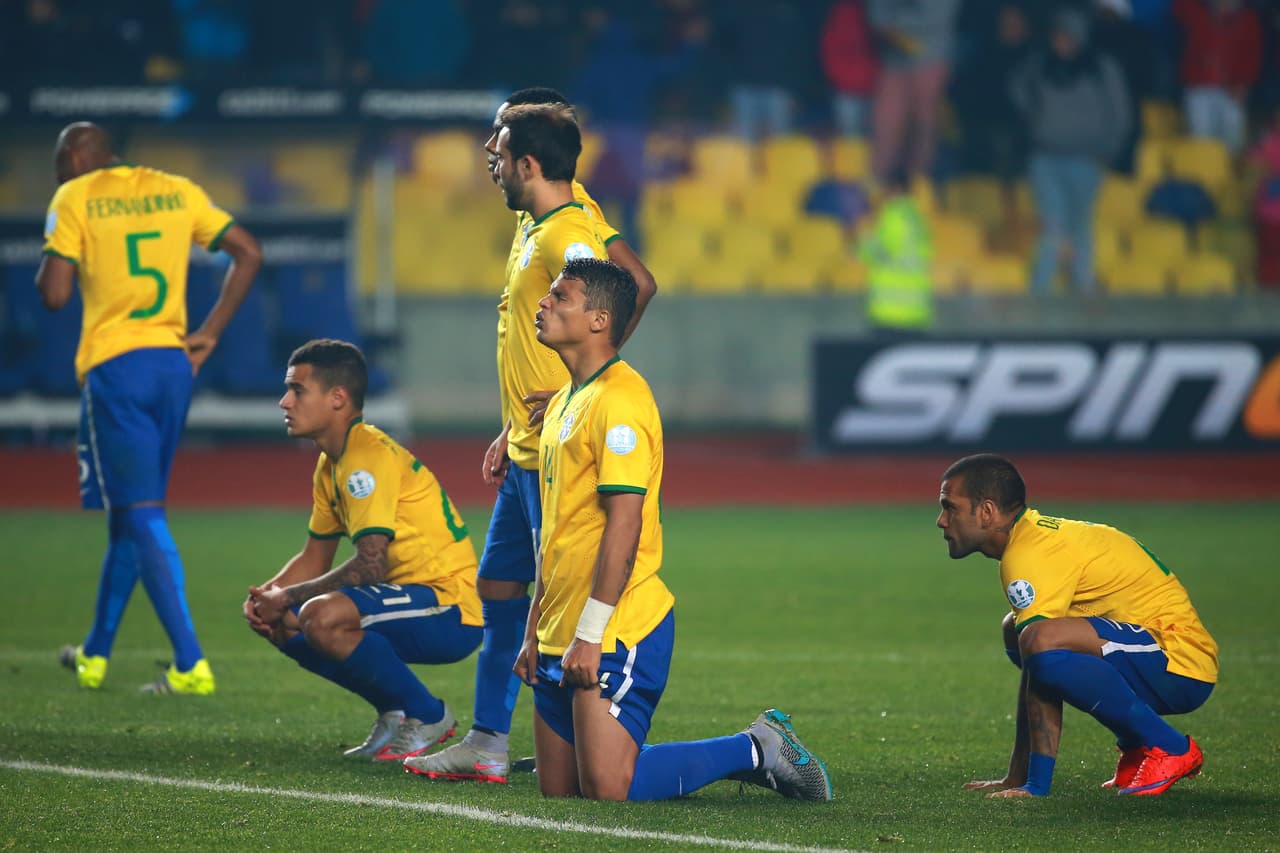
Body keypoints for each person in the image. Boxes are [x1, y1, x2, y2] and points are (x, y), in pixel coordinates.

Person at [436, 255, 830, 802]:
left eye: (561, 296)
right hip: (558, 630)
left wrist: (590, 636)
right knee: (562, 796)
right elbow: (555, 536)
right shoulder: (563, 405)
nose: (543, 303)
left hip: (616, 628)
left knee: (608, 787)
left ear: (599, 320)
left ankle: (758, 747)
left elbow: (624, 525)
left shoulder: (620, 402)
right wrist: (532, 631)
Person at [408, 90, 656, 783]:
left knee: (556, 589)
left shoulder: (562, 234)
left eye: (498, 149)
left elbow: (633, 285)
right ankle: (489, 740)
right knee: (499, 587)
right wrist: (511, 421)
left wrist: (584, 384)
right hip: (524, 444)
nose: (489, 159)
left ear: (525, 162)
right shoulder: (544, 219)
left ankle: (594, 734)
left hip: (555, 453)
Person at [40, 121, 262, 695]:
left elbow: (54, 293)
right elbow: (248, 252)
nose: (56, 177)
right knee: (129, 514)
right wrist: (210, 331)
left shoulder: (73, 196)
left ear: (73, 158)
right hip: (172, 366)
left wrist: (55, 238)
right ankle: (95, 654)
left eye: (57, 167)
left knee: (140, 513)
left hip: (117, 368)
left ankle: (190, 663)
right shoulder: (176, 188)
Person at [244, 339, 482, 761]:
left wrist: (291, 596)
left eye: (297, 390)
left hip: (450, 607)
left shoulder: (364, 458)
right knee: (282, 622)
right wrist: (269, 596)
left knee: (320, 615)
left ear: (337, 398)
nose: (284, 401)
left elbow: (372, 565)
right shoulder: (331, 462)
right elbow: (314, 556)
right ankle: (394, 711)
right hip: (410, 602)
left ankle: (429, 714)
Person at [935, 453, 1218, 798]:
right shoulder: (1030, 540)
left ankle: (1170, 746)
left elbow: (1041, 648)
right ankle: (1137, 746)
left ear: (987, 512)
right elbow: (1037, 665)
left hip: (1180, 662)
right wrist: (1019, 778)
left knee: (1038, 638)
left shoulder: (1028, 555)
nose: (941, 520)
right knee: (1020, 633)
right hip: (1154, 654)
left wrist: (1035, 786)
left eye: (950, 507)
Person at [1010, 7, 1131, 294]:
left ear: (1081, 38)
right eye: (1058, 36)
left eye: (1068, 37)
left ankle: (1082, 285)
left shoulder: (1102, 68)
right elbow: (1017, 88)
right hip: (1046, 158)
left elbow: (1121, 114)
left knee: (1079, 225)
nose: (1062, 42)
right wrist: (1036, 121)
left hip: (1086, 160)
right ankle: (1041, 289)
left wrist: (1107, 151)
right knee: (1052, 223)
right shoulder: (1039, 65)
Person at [857, 168, 933, 336]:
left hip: (891, 312)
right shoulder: (917, 218)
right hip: (917, 310)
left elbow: (875, 252)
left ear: (895, 189)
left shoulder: (893, 215)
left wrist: (862, 238)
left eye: (886, 188)